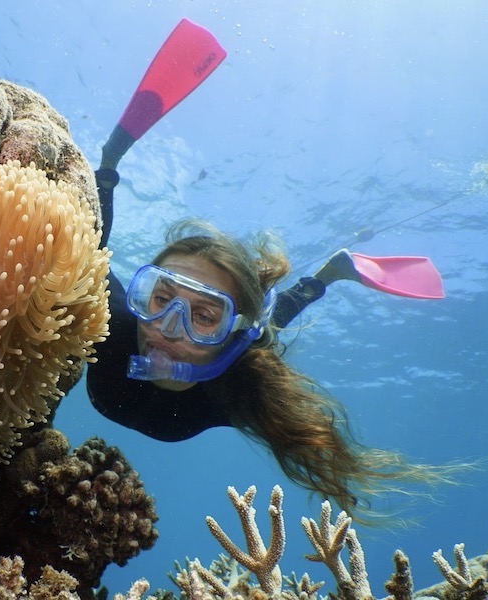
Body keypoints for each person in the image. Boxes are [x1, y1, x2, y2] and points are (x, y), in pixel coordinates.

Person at [86, 144, 460, 521]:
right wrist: (105, 174)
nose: (167, 327)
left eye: (202, 316)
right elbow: (90, 250)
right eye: (162, 297)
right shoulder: (110, 319)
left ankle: (324, 278)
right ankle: (110, 162)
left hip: (247, 340)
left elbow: (307, 440)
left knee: (266, 331)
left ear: (230, 335)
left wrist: (341, 485)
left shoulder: (237, 387)